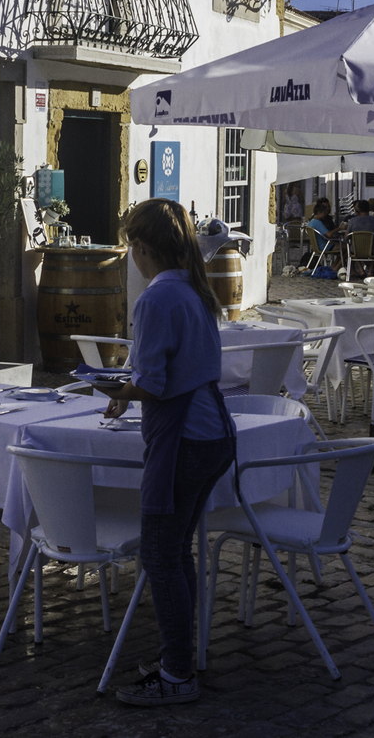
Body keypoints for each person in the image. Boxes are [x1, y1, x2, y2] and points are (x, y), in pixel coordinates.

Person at [101, 199, 236, 707]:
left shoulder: (157, 299)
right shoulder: (195, 290)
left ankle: (178, 673)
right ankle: (181, 656)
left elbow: (154, 384)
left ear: (139, 248)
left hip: (185, 437)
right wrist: (128, 390)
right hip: (211, 430)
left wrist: (113, 389)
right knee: (177, 551)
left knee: (161, 554)